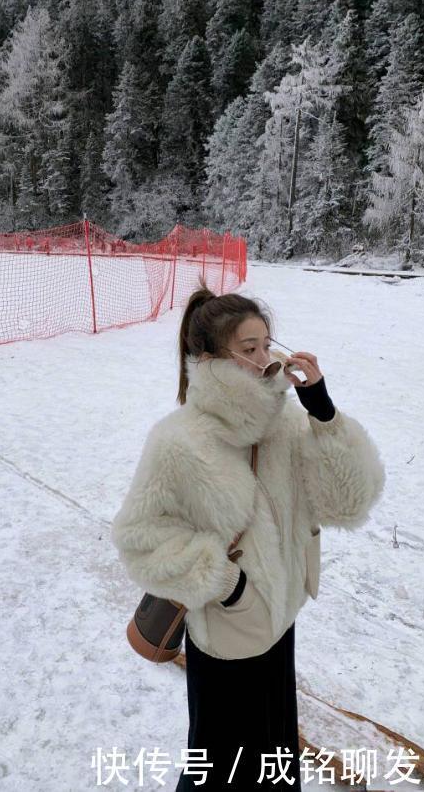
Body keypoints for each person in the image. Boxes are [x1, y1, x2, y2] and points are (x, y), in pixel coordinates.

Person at [110, 276, 386, 791]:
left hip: (280, 624)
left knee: (276, 759)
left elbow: (350, 503)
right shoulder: (179, 441)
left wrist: (324, 416)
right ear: (212, 359)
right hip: (227, 637)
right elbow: (141, 536)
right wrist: (230, 588)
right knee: (223, 770)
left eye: (267, 345)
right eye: (249, 348)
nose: (266, 359)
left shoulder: (286, 426)